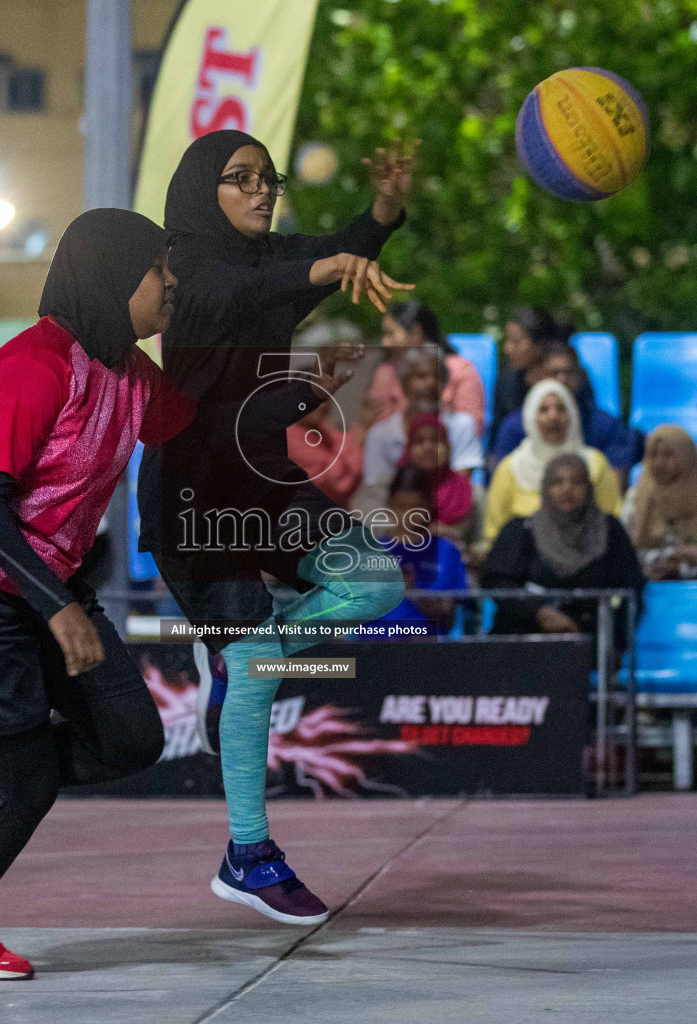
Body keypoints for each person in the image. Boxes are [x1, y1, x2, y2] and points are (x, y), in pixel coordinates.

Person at [0, 208, 189, 980]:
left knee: (133, 739)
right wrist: (57, 607)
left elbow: (198, 427)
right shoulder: (31, 365)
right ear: (114, 278)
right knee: (27, 785)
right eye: (160, 269)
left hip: (41, 582)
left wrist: (292, 386)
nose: (172, 282)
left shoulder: (132, 372)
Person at [137, 130, 410, 926]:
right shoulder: (184, 268)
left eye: (270, 179)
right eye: (241, 179)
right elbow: (238, 296)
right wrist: (321, 270)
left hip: (261, 475)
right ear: (200, 192)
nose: (263, 191)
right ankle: (247, 854)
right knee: (256, 657)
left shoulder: (268, 262)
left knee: (375, 580)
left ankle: (236, 658)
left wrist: (382, 213)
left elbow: (328, 253)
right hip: (193, 493)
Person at [482, 454, 642, 637]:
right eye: (557, 482)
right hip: (524, 641)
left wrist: (606, 637)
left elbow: (630, 588)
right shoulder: (520, 530)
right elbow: (497, 582)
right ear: (546, 488)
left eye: (577, 482)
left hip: (590, 642)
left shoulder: (610, 531)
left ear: (589, 488)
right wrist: (539, 613)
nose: (567, 489)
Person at [483, 380, 621, 546]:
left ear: (573, 415)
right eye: (543, 409)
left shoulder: (594, 464)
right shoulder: (511, 468)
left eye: (561, 409)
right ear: (530, 417)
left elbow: (612, 520)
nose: (553, 416)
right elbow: (494, 532)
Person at [493, 341, 643, 480]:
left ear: (578, 376)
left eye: (568, 373)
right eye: (554, 373)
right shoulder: (512, 427)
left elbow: (615, 482)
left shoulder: (606, 425)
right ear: (536, 378)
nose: (562, 380)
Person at [360, 344, 482, 504]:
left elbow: (461, 483)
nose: (430, 383)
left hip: (448, 512)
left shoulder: (462, 425)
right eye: (421, 376)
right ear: (404, 383)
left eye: (437, 376)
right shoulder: (380, 434)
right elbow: (376, 491)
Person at [621, 426, 697, 582]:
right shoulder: (637, 495)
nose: (659, 462)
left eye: (668, 455)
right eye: (653, 455)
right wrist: (677, 555)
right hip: (651, 581)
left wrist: (685, 564)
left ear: (687, 456)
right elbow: (625, 552)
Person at [364, 465, 467, 637]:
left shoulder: (445, 551)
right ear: (389, 503)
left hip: (429, 653)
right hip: (377, 651)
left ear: (428, 504)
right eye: (400, 507)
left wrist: (416, 594)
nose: (407, 516)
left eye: (415, 509)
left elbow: (450, 619)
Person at [363, 301, 485, 434]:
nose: (385, 343)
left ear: (416, 334)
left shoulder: (461, 370)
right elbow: (376, 426)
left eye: (391, 334)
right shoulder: (386, 372)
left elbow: (472, 429)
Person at [490, 306, 569, 445]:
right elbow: (496, 439)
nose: (507, 349)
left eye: (516, 342)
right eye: (507, 341)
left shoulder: (567, 377)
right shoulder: (505, 383)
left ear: (539, 346)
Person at [394, 413, 475, 543]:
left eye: (436, 441)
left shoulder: (468, 492)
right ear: (408, 447)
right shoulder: (392, 487)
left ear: (448, 448)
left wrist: (450, 535)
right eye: (420, 441)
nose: (428, 447)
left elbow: (481, 545)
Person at [285, 394, 361, 508]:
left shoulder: (320, 429)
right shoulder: (288, 437)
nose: (323, 406)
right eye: (316, 398)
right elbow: (339, 481)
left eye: (326, 399)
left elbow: (346, 442)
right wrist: (358, 443)